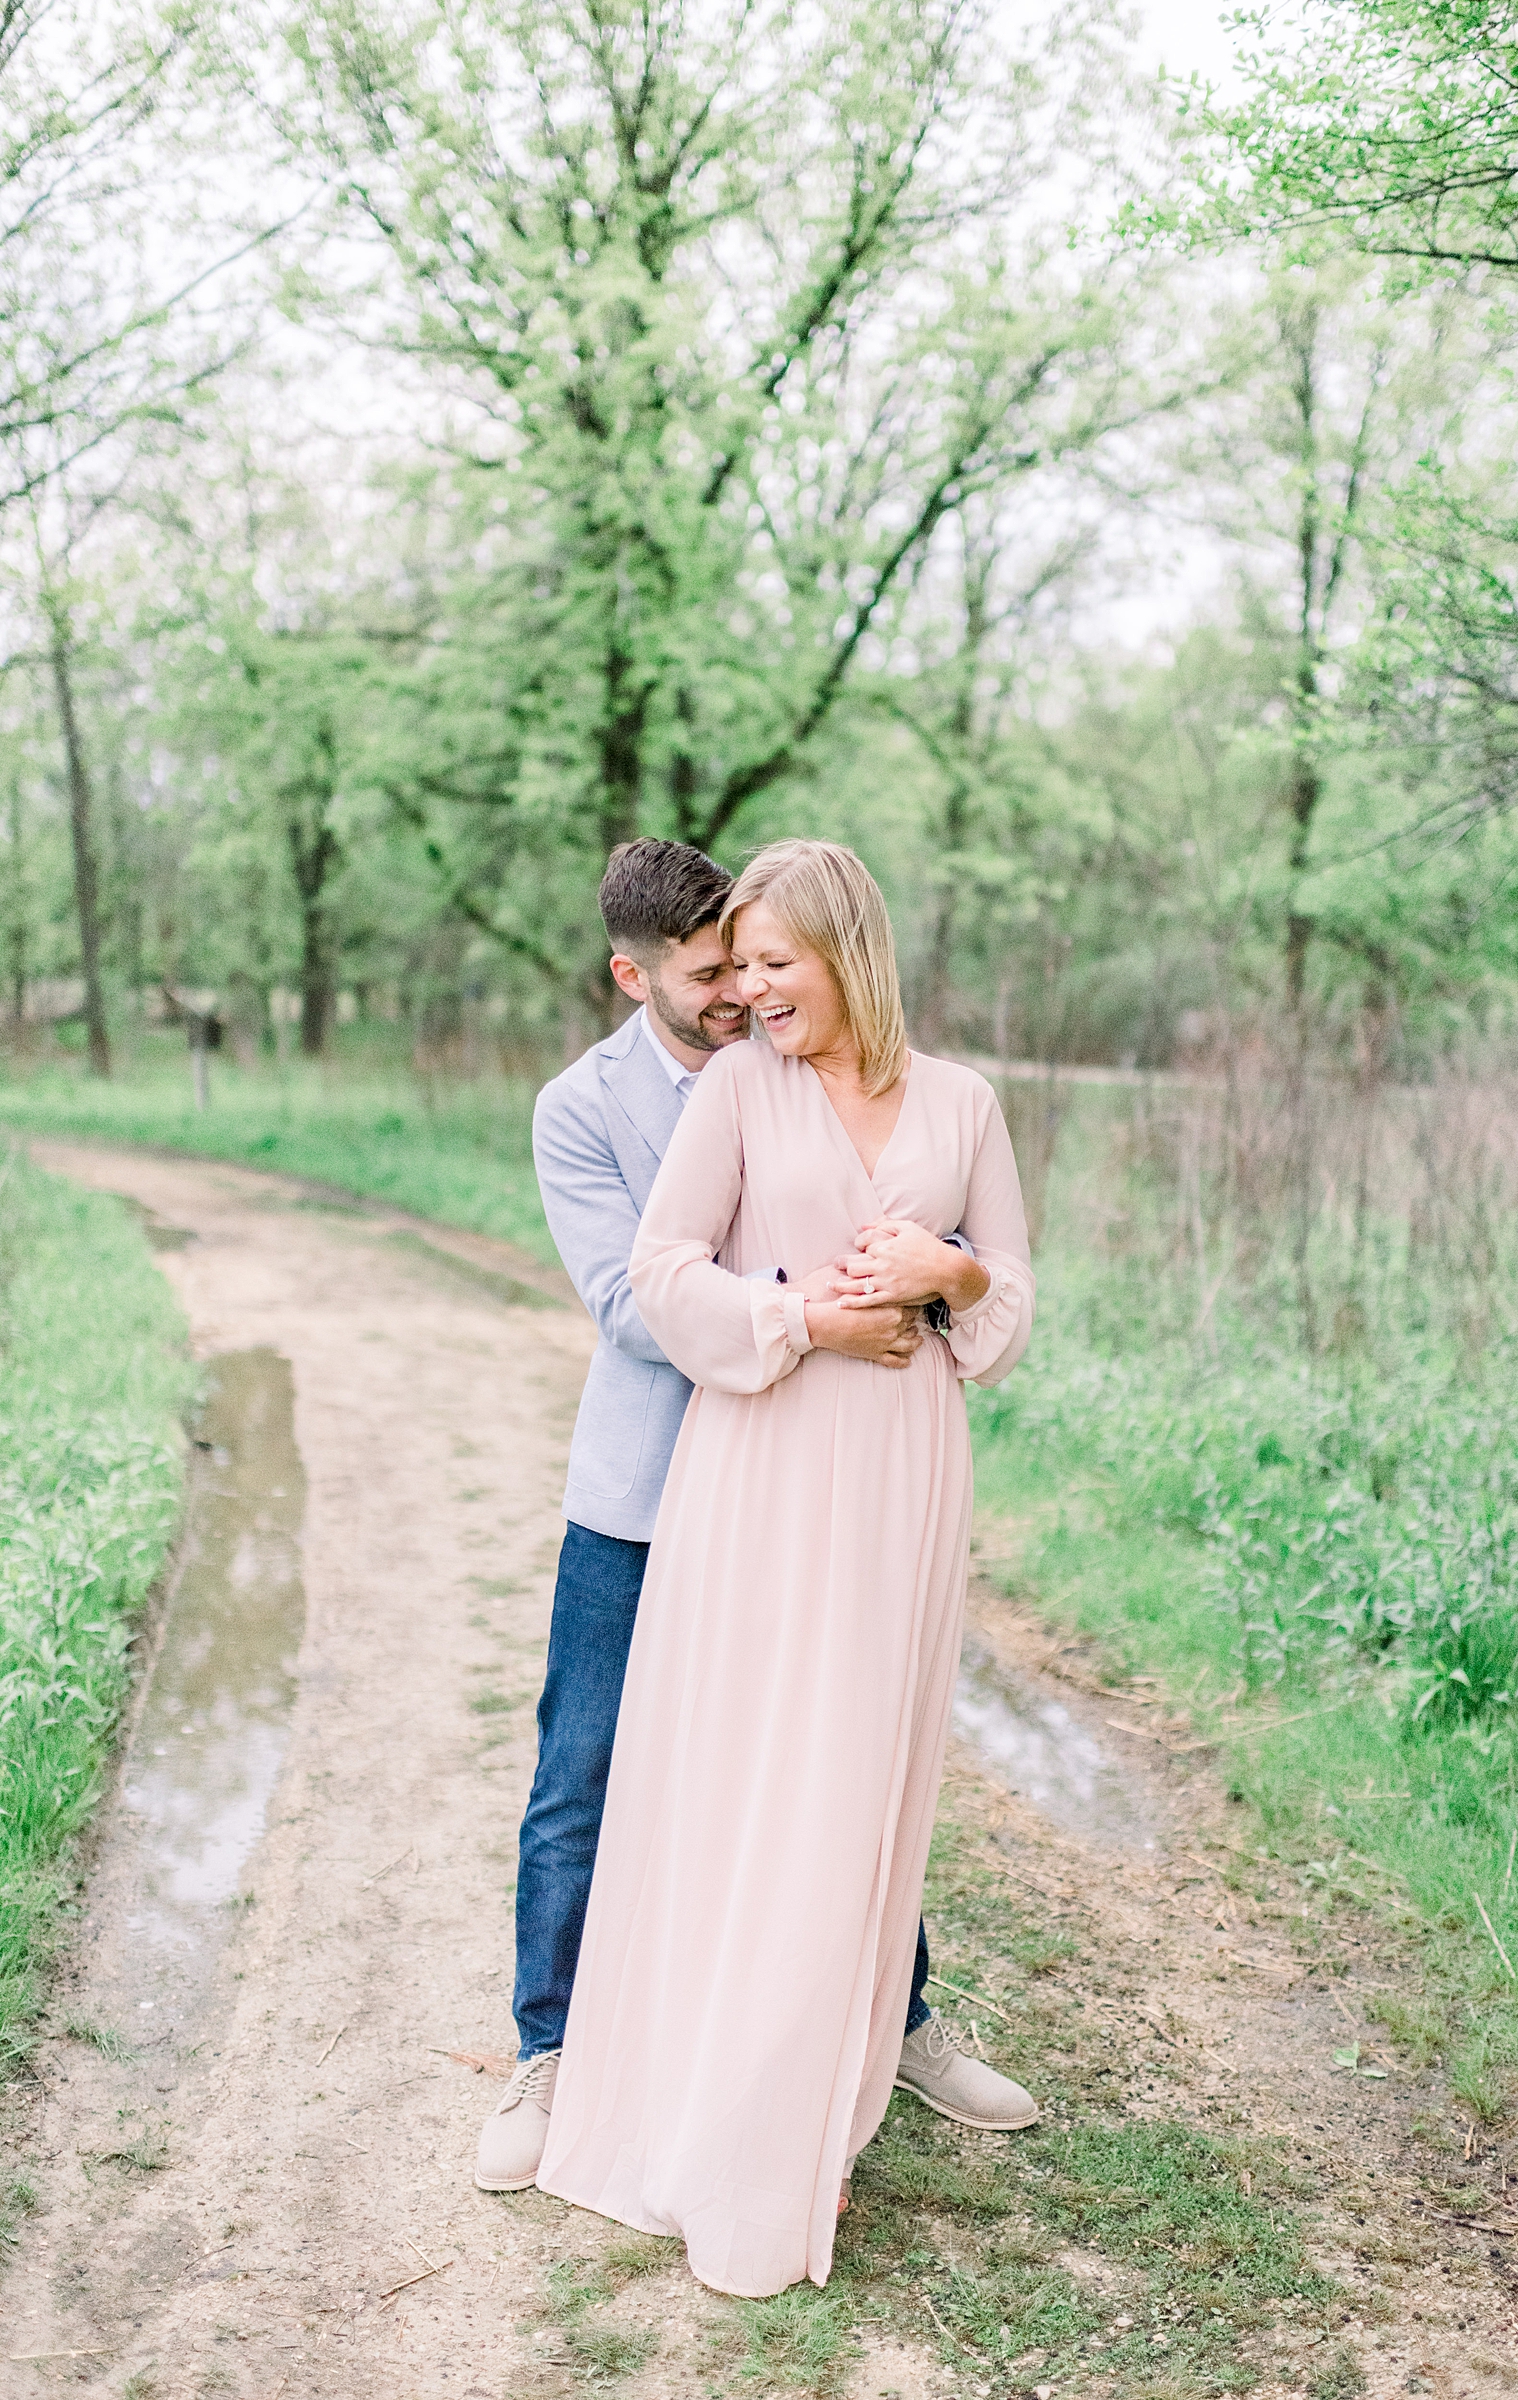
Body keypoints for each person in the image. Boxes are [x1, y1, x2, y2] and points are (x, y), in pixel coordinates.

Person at [476, 839, 1037, 2196]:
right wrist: (818, 1313)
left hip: (835, 1476)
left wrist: (943, 1276)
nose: (739, 989)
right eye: (714, 970)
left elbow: (988, 1271)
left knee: (839, 1752)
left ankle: (883, 2019)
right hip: (657, 1483)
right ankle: (557, 2051)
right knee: (590, 1773)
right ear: (637, 976)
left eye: (759, 963)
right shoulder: (585, 1106)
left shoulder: (877, 1080)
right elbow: (631, 1297)